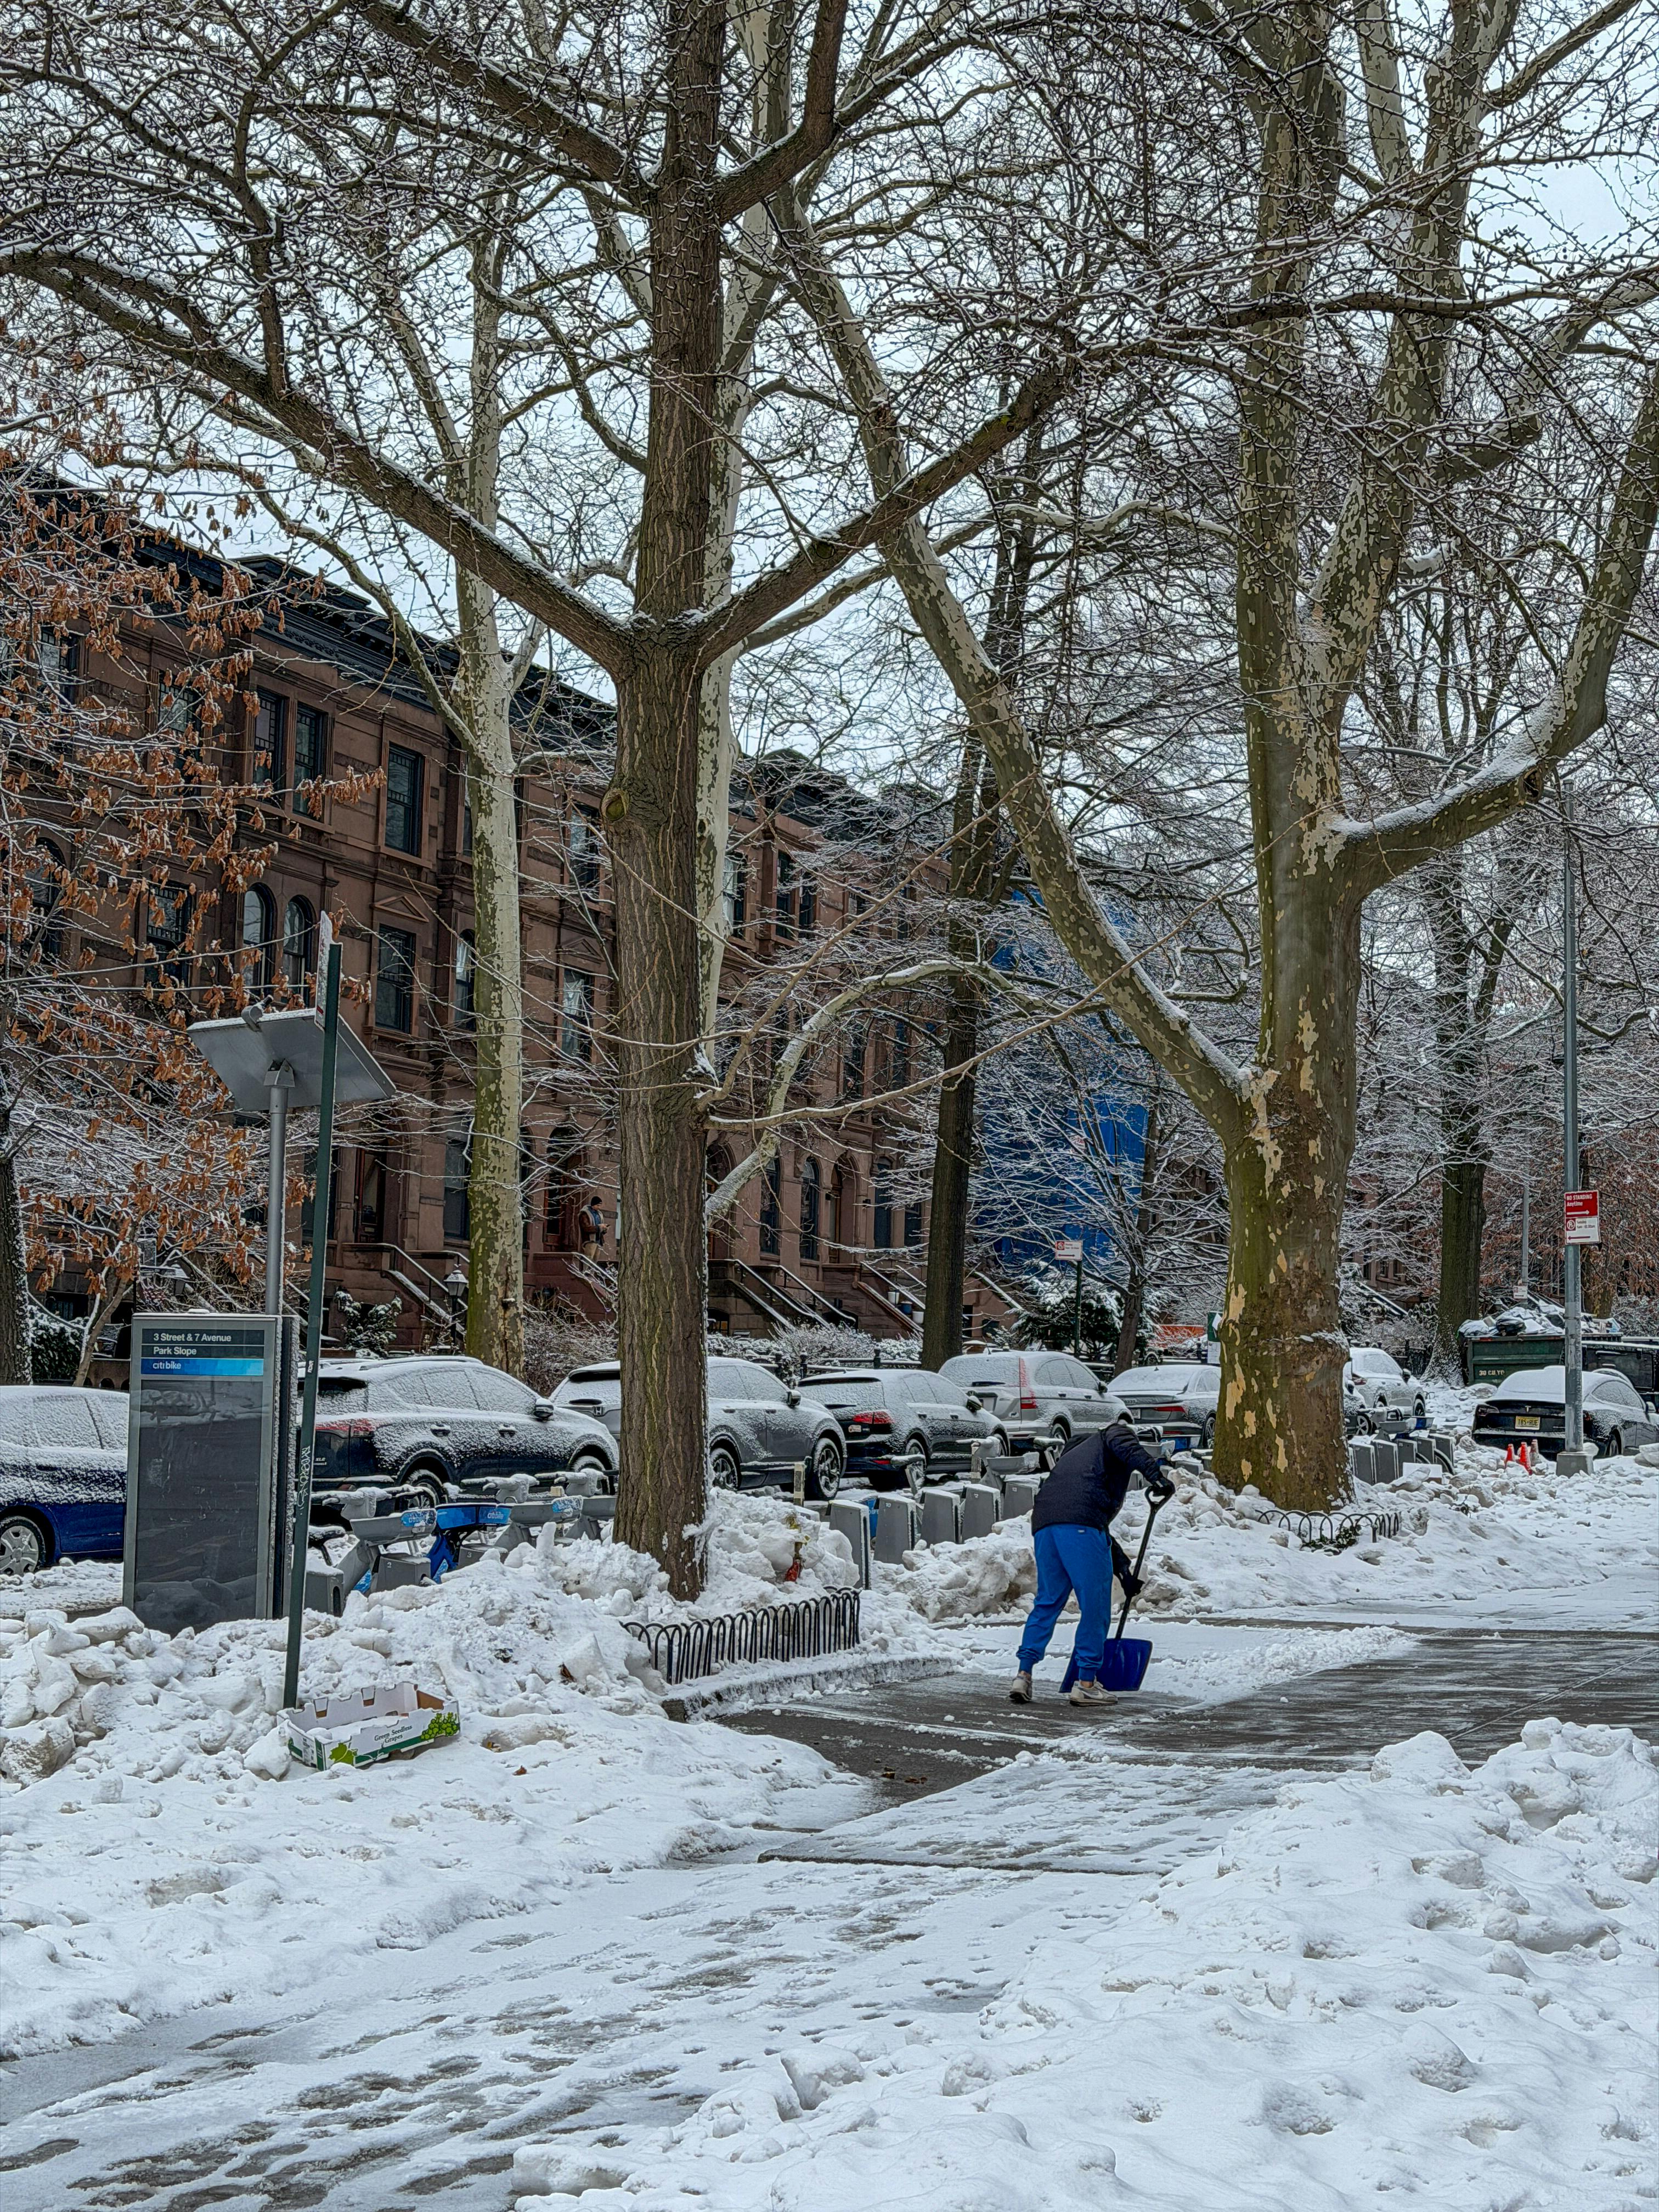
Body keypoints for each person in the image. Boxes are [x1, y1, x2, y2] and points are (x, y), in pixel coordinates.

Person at [1009, 1421, 1173, 1707]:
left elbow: (1092, 1527)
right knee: (1095, 1606)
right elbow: (1126, 1446)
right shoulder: (1114, 1433)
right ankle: (1086, 1684)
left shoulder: (1075, 1459)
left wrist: (1123, 1571)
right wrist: (1155, 1476)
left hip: (1045, 1527)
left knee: (1048, 1601)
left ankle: (1023, 1674)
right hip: (1081, 1528)